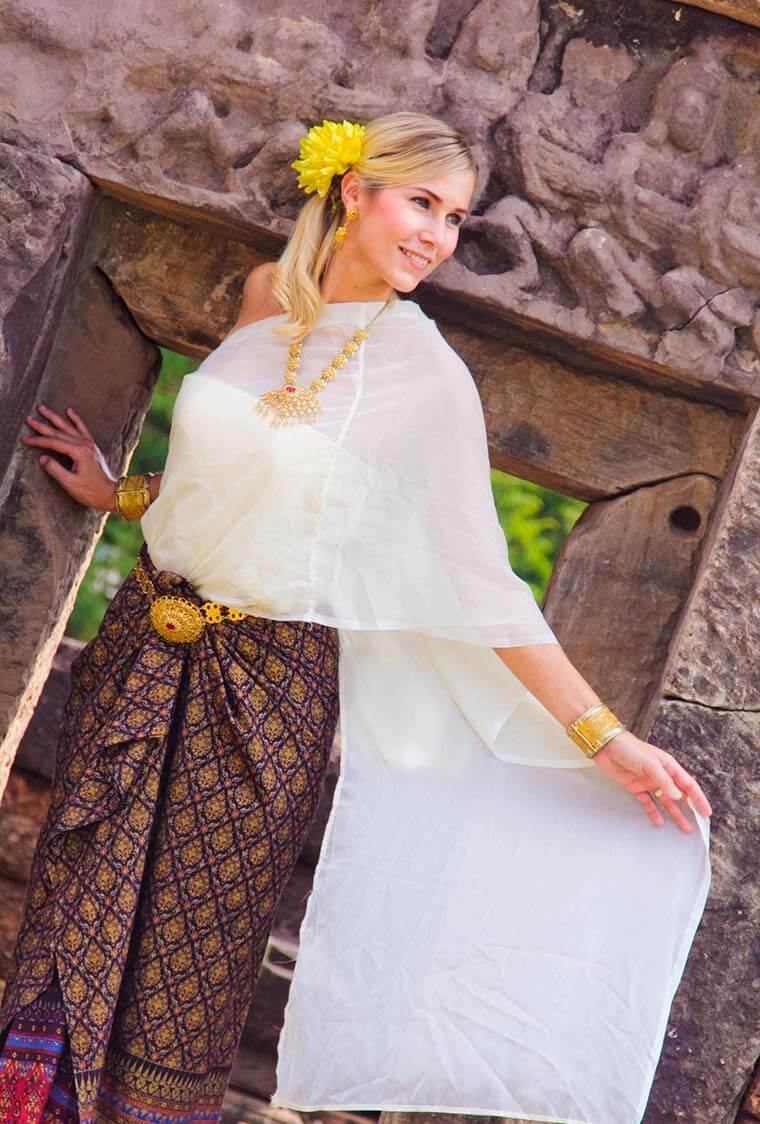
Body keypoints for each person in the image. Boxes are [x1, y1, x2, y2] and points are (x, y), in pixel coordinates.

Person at [0, 112, 711, 1124]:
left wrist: (605, 738)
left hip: (268, 697)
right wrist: (121, 495)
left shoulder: (427, 377)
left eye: (455, 219)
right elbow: (235, 484)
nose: (438, 236)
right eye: (423, 203)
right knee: (72, 913)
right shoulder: (264, 297)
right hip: (143, 651)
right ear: (352, 191)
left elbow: (480, 582)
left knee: (180, 979)